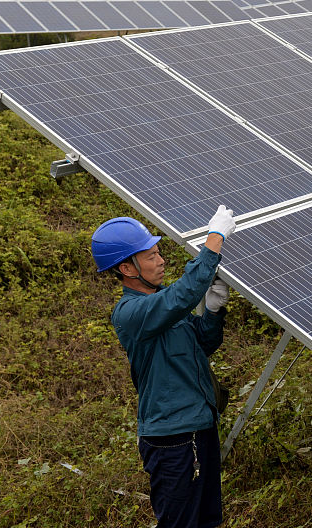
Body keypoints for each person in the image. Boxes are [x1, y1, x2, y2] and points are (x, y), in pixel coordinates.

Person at [91, 206, 236, 528]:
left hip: (199, 425)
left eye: (159, 253)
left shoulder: (162, 302)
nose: (162, 262)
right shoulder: (131, 313)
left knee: (207, 519)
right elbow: (181, 296)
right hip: (174, 438)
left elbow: (201, 345)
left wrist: (212, 312)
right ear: (128, 269)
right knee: (180, 522)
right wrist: (215, 238)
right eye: (152, 257)